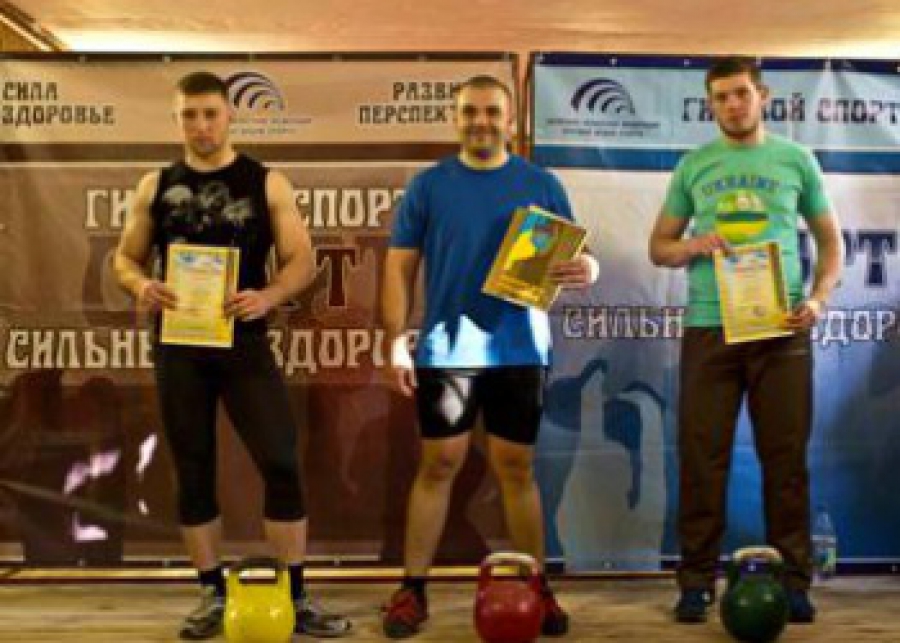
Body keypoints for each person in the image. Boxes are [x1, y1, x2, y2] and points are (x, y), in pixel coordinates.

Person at [114, 71, 351, 640]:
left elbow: (302, 259)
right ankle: (211, 596)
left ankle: (295, 596)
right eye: (189, 115)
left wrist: (268, 295)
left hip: (244, 343)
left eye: (210, 114)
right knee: (193, 468)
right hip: (179, 344)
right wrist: (141, 285)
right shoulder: (154, 185)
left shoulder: (266, 182)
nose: (200, 126)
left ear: (229, 116)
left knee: (281, 462)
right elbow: (124, 258)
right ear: (177, 120)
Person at [380, 74, 599, 639]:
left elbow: (580, 255)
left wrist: (588, 268)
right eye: (470, 111)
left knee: (516, 469)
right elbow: (399, 267)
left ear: (511, 120)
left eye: (492, 112)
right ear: (457, 118)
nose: (481, 121)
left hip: (520, 349)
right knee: (438, 465)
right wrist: (395, 337)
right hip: (447, 349)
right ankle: (412, 590)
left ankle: (537, 588)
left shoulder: (541, 184)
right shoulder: (429, 186)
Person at [649, 56, 843, 625]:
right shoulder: (695, 165)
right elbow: (659, 247)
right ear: (710, 105)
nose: (732, 105)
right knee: (701, 459)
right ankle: (695, 583)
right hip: (710, 327)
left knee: (786, 461)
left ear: (763, 95)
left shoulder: (796, 159)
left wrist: (817, 300)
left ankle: (794, 582)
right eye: (721, 97)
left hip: (780, 328)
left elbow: (832, 244)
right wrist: (693, 245)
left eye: (740, 94)